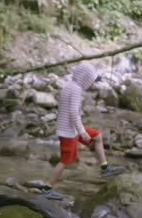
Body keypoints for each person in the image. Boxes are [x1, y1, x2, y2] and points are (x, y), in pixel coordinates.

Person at [41, 62, 126, 200]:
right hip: (69, 131)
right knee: (63, 162)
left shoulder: (71, 86)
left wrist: (80, 129)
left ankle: (105, 168)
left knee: (97, 136)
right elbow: (73, 112)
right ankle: (47, 189)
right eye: (91, 80)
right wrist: (82, 132)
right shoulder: (75, 90)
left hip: (71, 128)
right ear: (84, 78)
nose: (91, 83)